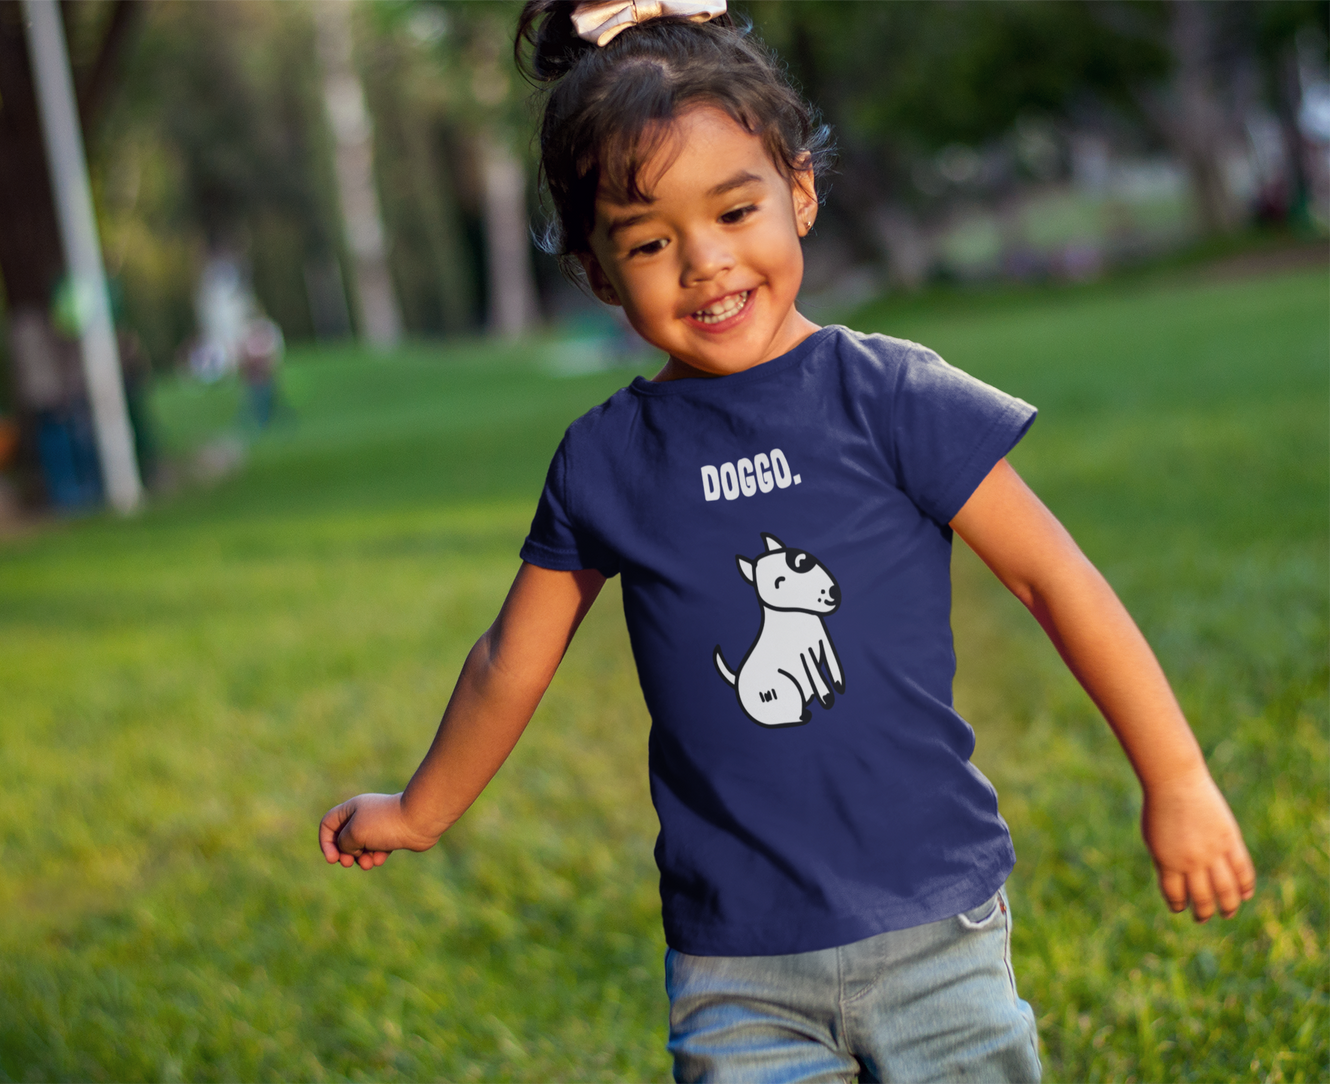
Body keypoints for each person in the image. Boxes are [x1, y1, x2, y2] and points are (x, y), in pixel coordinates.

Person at [317, 4, 1256, 1080]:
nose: (703, 264)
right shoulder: (606, 459)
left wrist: (1175, 775)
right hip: (736, 969)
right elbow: (507, 659)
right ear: (594, 272)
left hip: (935, 927)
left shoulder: (889, 395)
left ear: (798, 191)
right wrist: (419, 809)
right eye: (648, 241)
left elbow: (1053, 579)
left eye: (733, 209)